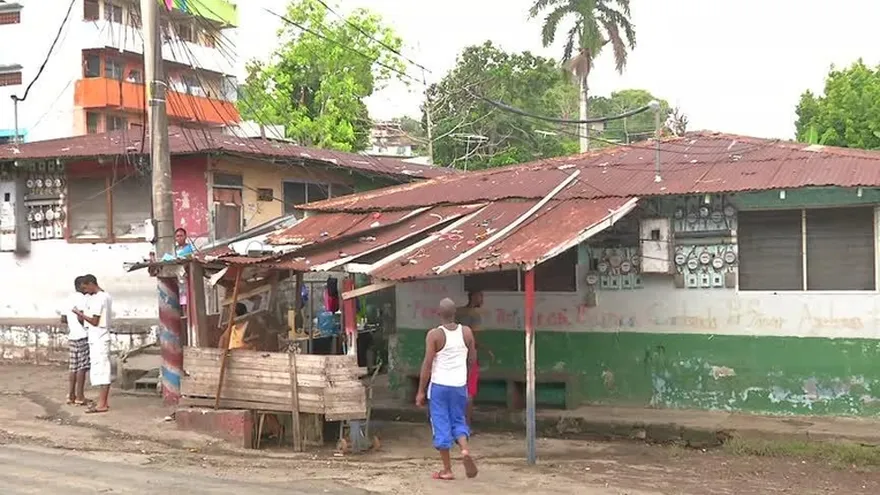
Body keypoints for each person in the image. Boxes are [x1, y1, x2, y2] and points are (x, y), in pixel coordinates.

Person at [416, 298, 478, 481]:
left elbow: (427, 364)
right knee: (459, 420)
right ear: (455, 313)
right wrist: (463, 377)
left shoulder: (434, 335)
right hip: (459, 386)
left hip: (440, 387)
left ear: (438, 314)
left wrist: (421, 391)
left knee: (441, 424)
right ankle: (465, 450)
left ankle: (447, 470)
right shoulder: (466, 332)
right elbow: (472, 359)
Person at [73, 274, 112, 414]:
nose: (85, 292)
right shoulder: (100, 297)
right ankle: (102, 401)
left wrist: (79, 313)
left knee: (102, 370)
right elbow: (86, 322)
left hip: (100, 336)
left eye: (85, 288)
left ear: (91, 283)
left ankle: (103, 403)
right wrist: (81, 316)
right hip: (95, 337)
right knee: (98, 369)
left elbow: (94, 321)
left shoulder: (100, 298)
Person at [456, 291, 494, 429]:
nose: (482, 299)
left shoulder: (457, 312)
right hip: (469, 356)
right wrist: (486, 350)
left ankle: (455, 424)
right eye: (480, 296)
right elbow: (474, 340)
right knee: (469, 392)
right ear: (473, 297)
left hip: (455, 356)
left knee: (457, 390)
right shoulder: (475, 315)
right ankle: (466, 425)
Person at [61, 276, 90, 406]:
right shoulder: (83, 299)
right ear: (81, 286)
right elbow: (81, 316)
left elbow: (63, 318)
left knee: (73, 366)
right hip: (83, 335)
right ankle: (80, 396)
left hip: (72, 335)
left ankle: (71, 395)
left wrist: (72, 324)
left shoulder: (68, 298)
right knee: (82, 367)